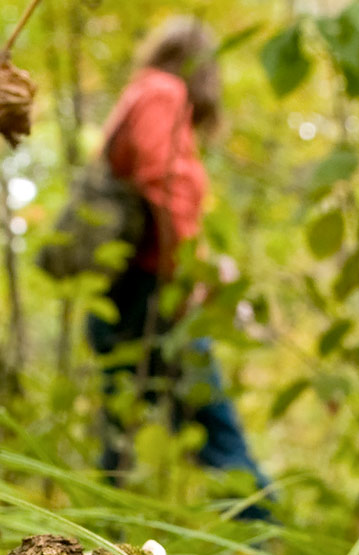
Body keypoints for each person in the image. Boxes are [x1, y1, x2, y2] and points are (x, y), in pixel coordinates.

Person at [88, 18, 271, 517]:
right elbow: (166, 184)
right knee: (214, 426)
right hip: (150, 292)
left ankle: (98, 547)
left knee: (119, 435)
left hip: (126, 290)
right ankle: (267, 538)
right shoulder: (162, 93)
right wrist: (186, 278)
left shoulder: (138, 96)